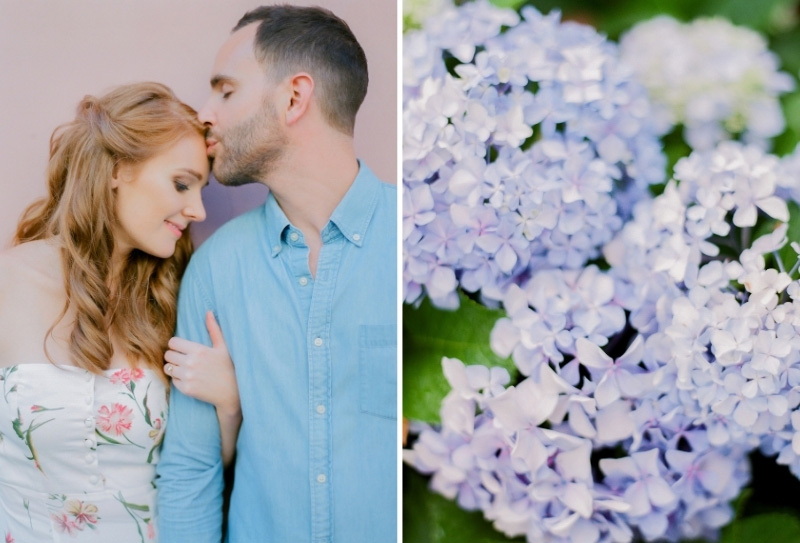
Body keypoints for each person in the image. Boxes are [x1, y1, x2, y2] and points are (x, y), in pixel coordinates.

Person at [156, 5, 397, 543]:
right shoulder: (216, 267)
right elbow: (190, 473)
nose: (204, 114)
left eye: (225, 90)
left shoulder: (413, 242)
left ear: (294, 97)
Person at [0, 82, 240, 542]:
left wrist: (228, 404)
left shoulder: (175, 296)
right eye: (181, 183)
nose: (198, 211)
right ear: (117, 170)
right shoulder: (9, 283)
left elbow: (202, 471)